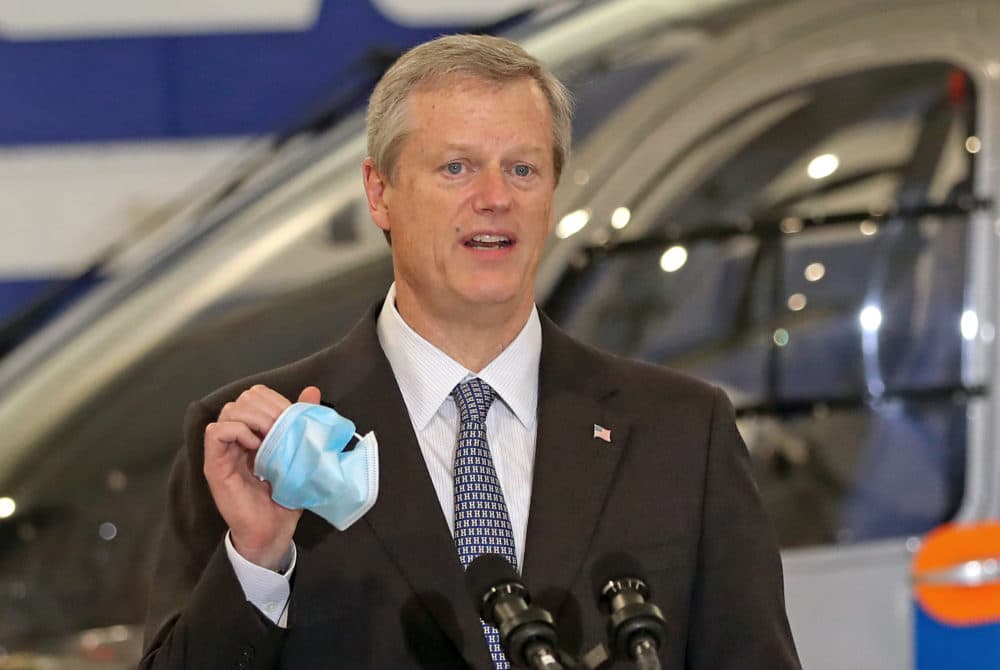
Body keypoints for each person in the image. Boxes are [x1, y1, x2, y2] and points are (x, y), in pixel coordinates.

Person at [140, 34, 801, 669]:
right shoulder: (256, 444)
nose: (495, 199)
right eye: (456, 167)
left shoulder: (682, 433)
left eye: (522, 169)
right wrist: (256, 557)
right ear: (379, 193)